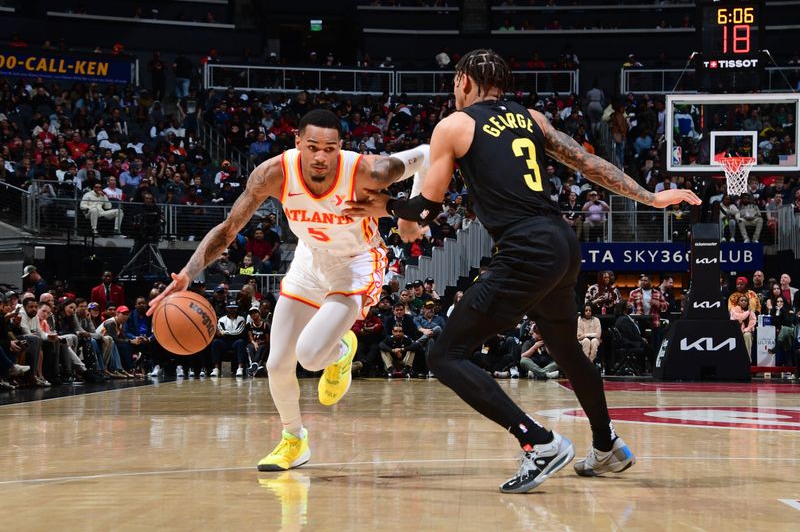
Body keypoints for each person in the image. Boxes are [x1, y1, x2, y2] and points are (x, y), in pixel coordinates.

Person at [344, 49, 700, 493]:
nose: (454, 90)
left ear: (465, 82)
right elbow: (589, 164)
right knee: (565, 349)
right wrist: (651, 196)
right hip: (563, 243)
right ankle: (607, 445)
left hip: (527, 248)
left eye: (455, 82)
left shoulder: (454, 125)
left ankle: (538, 441)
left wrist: (385, 205)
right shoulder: (531, 117)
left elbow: (426, 209)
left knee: (444, 355)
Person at [148, 108, 430, 472]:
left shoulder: (369, 170)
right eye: (312, 146)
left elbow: (426, 152)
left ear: (340, 148)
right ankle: (294, 440)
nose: (320, 156)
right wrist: (188, 272)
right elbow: (230, 228)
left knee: (311, 357)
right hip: (309, 261)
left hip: (356, 264)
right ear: (297, 143)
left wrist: (410, 212)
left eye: (330, 148)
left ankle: (341, 349)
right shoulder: (273, 174)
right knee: (277, 363)